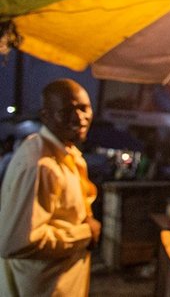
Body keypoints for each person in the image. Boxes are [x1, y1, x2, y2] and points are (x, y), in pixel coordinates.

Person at [0, 79, 101, 297]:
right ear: (45, 116)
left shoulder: (67, 153)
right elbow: (16, 242)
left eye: (84, 108)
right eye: (66, 111)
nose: (79, 118)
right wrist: (85, 233)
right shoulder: (39, 164)